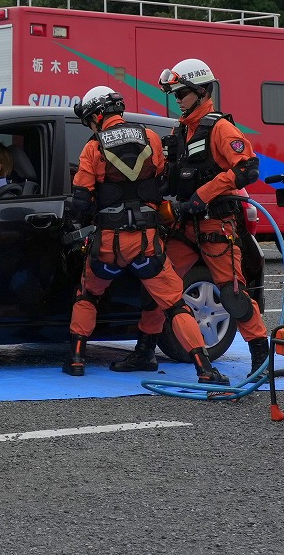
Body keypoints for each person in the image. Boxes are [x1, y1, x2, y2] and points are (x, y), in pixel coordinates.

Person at [64, 86, 228, 385]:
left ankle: (76, 359)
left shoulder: (94, 147)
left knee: (88, 293)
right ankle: (205, 369)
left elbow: (81, 200)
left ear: (97, 115)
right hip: (147, 242)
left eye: (89, 121)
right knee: (174, 304)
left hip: (109, 243)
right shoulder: (150, 137)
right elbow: (164, 181)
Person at [158, 58, 271, 376]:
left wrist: (203, 195)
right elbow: (168, 174)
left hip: (215, 224)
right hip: (184, 225)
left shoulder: (221, 128)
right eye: (175, 95)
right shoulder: (180, 130)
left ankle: (261, 357)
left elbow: (248, 168)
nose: (178, 100)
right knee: (160, 282)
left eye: (181, 93)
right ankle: (144, 349)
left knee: (233, 295)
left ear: (201, 91)